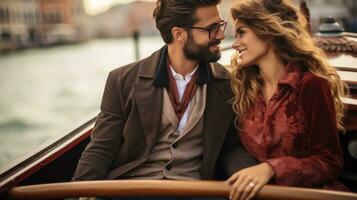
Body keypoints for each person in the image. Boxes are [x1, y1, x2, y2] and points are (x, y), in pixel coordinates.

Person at [72, 0, 257, 199]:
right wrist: (79, 193)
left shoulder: (228, 84)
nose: (221, 35)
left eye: (220, 25)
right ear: (179, 34)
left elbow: (230, 146)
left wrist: (252, 177)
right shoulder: (121, 80)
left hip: (194, 192)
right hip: (130, 191)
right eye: (212, 28)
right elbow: (101, 148)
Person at [227, 0, 349, 199]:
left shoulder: (310, 85)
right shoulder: (243, 90)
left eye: (242, 33)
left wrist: (271, 169)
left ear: (266, 30)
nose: (235, 44)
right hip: (256, 195)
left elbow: (329, 162)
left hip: (306, 194)